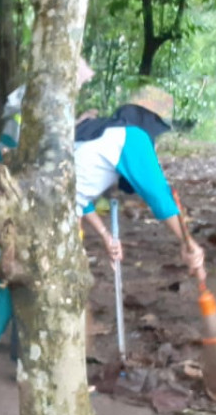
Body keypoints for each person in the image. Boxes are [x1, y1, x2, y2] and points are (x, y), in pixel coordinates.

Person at [0, 59, 96, 350]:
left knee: (11, 256)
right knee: (13, 259)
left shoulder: (30, 101)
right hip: (20, 188)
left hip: (13, 186)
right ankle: (9, 338)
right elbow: (42, 145)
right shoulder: (40, 105)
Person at [73, 91, 205, 281]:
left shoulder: (98, 134)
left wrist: (106, 236)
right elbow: (159, 197)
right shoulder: (133, 137)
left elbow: (75, 194)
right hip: (54, 217)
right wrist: (188, 242)